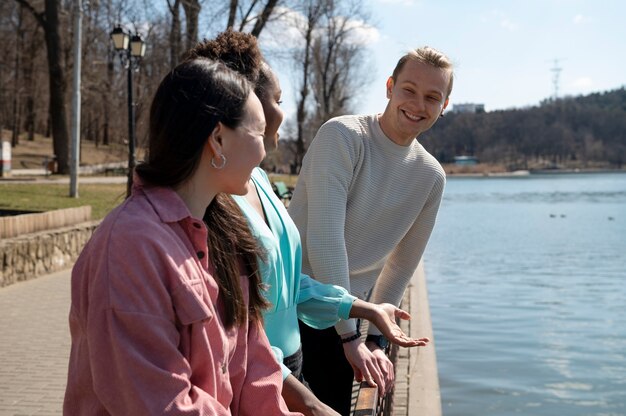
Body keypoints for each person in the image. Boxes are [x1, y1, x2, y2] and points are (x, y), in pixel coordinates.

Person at [186, 31, 428, 416]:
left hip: (287, 364)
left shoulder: (259, 181)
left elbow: (286, 281)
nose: (284, 113)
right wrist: (312, 398)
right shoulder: (213, 202)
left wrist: (362, 310)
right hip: (252, 378)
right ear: (244, 105)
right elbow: (232, 323)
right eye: (277, 101)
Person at [63, 58, 301, 415]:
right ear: (218, 139)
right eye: (258, 133)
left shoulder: (224, 230)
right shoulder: (131, 246)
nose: (265, 152)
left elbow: (253, 363)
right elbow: (161, 401)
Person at [287, 46, 454, 414]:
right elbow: (325, 242)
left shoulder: (430, 176)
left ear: (444, 106)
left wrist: (378, 339)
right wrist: (349, 336)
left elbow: (400, 265)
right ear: (390, 87)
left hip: (353, 313)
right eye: (408, 89)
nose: (417, 104)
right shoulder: (343, 136)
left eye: (432, 97)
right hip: (299, 304)